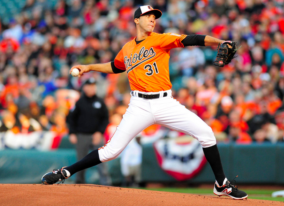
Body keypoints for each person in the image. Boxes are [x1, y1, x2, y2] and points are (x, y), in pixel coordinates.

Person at [42, 5, 248, 200]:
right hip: (139, 106)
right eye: (148, 17)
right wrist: (89, 67)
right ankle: (65, 172)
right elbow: (115, 66)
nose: (152, 20)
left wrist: (219, 42)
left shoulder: (161, 39)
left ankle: (221, 184)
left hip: (165, 103)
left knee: (206, 134)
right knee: (110, 152)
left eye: (155, 17)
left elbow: (192, 39)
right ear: (136, 20)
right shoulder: (128, 48)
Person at [67, 78, 110, 185]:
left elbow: (105, 118)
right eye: (89, 86)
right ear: (84, 88)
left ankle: (106, 184)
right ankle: (79, 183)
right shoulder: (79, 102)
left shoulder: (100, 102)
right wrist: (72, 133)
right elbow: (70, 118)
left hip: (97, 135)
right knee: (81, 162)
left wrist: (100, 132)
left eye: (93, 86)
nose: (92, 88)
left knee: (102, 160)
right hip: (82, 136)